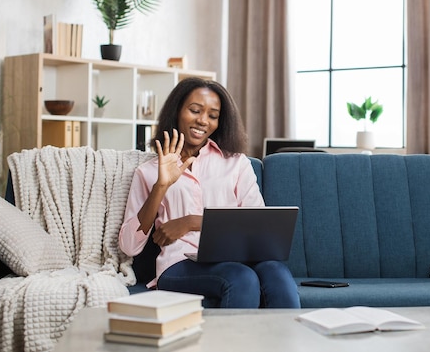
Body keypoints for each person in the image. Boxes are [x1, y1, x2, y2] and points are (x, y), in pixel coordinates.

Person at [119, 77, 300, 308]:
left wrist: (192, 222)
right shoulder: (148, 171)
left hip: (239, 258)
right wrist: (161, 186)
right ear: (177, 111)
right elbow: (129, 246)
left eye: (213, 115)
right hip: (180, 263)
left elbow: (257, 226)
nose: (203, 120)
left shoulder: (236, 163)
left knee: (277, 274)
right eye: (195, 110)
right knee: (241, 279)